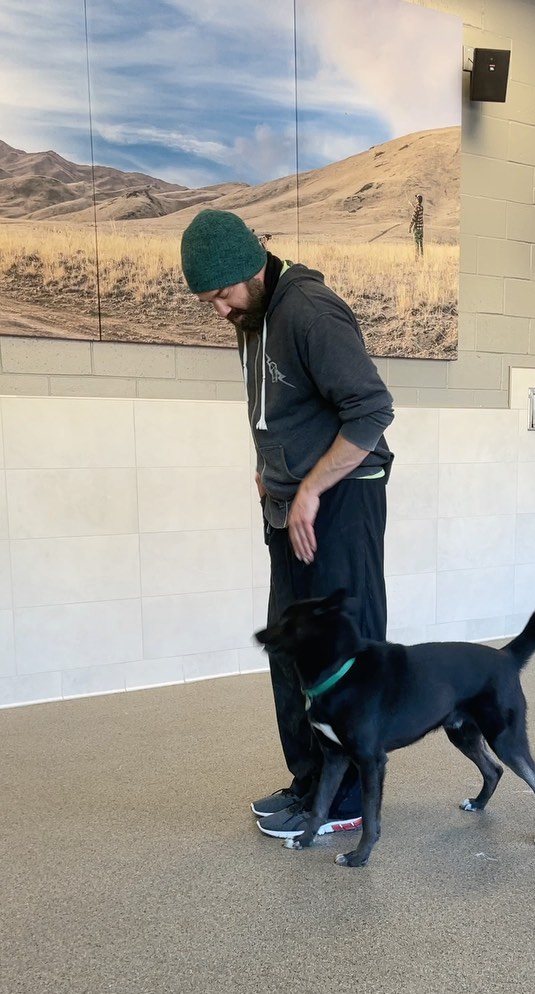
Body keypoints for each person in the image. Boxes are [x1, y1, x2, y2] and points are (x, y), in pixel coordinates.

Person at [180, 209, 394, 839]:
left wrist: (310, 489)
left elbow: (372, 410)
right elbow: (276, 410)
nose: (219, 310)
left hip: (342, 498)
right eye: (207, 301)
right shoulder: (253, 315)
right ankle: (310, 782)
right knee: (290, 649)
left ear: (253, 265)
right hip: (290, 502)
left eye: (222, 294)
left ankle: (350, 795)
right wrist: (269, 471)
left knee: (344, 652)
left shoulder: (310, 311)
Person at [409, 193, 424, 258]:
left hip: (417, 229)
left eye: (416, 198)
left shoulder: (417, 208)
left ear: (417, 200)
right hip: (421, 229)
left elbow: (413, 219)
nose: (415, 199)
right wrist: (411, 204)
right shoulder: (421, 207)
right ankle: (422, 256)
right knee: (421, 243)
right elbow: (417, 208)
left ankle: (416, 258)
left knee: (416, 243)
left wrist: (410, 227)